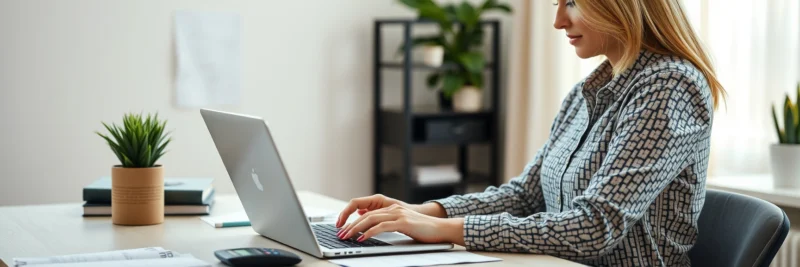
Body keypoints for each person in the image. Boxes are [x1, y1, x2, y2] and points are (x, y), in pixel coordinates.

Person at [335, 0, 725, 266]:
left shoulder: (670, 85)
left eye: (572, 1)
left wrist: (443, 230)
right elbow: (526, 195)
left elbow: (595, 226)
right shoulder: (586, 92)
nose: (558, 21)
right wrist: (419, 211)